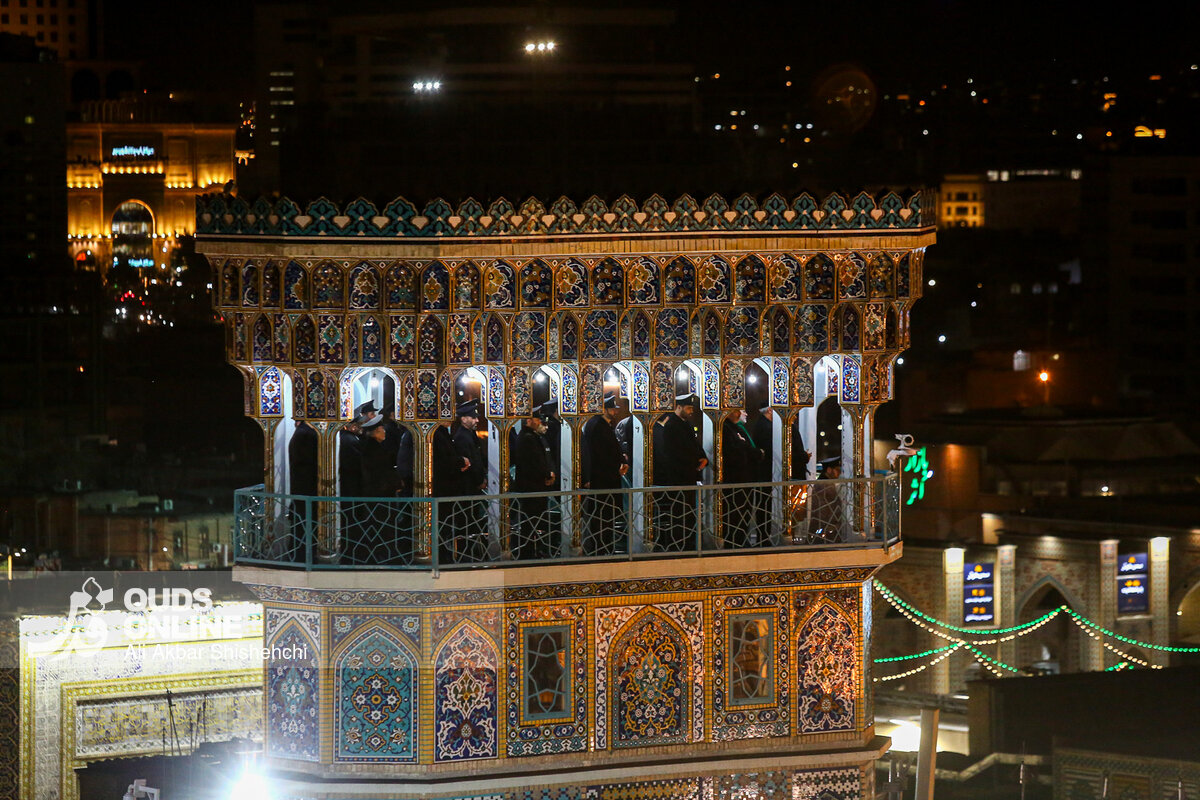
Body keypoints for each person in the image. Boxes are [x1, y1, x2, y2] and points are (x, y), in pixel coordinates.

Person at [652, 393, 709, 552]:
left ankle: (689, 542)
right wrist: (694, 462)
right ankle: (679, 544)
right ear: (678, 407)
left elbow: (695, 445)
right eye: (688, 408)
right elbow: (676, 453)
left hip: (689, 476)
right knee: (679, 513)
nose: (691, 411)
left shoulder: (685, 424)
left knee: (689, 513)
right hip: (678, 477)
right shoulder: (672, 426)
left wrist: (702, 457)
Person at [580, 392, 628, 555]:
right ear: (604, 409)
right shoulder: (597, 426)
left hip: (607, 479)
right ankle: (601, 548)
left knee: (606, 517)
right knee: (601, 517)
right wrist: (616, 466)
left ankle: (605, 547)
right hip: (602, 480)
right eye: (612, 409)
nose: (615, 412)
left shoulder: (602, 425)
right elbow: (600, 454)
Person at [354, 414, 403, 564]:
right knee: (381, 527)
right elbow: (382, 473)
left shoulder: (374, 447)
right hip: (379, 495)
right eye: (382, 430)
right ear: (375, 432)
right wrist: (395, 484)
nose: (384, 432)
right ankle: (382, 555)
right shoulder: (373, 450)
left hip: (378, 494)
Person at [512, 410, 556, 560]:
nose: (539, 423)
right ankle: (528, 551)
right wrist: (547, 475)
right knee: (531, 521)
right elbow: (535, 462)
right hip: (532, 486)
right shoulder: (528, 438)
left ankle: (534, 549)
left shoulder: (530, 437)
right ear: (529, 421)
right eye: (537, 419)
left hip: (533, 485)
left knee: (534, 521)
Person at [449, 399, 489, 562]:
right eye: (473, 417)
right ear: (464, 418)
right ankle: (466, 554)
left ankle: (472, 552)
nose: (477, 420)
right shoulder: (462, 437)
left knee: (472, 521)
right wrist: (479, 480)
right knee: (466, 522)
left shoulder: (470, 435)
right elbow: (471, 464)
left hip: (472, 487)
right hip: (467, 488)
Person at [720, 408, 759, 548]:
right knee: (735, 513)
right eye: (739, 410)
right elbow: (736, 450)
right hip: (735, 479)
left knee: (744, 512)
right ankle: (734, 540)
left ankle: (741, 538)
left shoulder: (736, 428)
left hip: (745, 477)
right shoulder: (726, 428)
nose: (744, 414)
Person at [287, 418, 319, 561]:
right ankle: (302, 557)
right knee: (304, 527)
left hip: (301, 489)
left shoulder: (302, 433)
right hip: (306, 489)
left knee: (300, 527)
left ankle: (298, 556)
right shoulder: (307, 434)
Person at [337, 417, 365, 562]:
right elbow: (356, 465)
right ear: (351, 426)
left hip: (348, 486)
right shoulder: (350, 440)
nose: (360, 427)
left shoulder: (347, 438)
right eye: (358, 425)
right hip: (351, 487)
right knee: (352, 520)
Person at [749, 405, 776, 546]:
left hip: (762, 472)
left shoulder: (762, 424)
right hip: (764, 473)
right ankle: (763, 537)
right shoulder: (765, 427)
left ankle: (764, 536)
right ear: (770, 410)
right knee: (764, 506)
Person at [808, 457, 847, 542]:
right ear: (829, 470)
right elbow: (828, 508)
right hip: (824, 529)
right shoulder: (825, 485)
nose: (839, 474)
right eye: (837, 470)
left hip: (822, 528)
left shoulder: (824, 483)